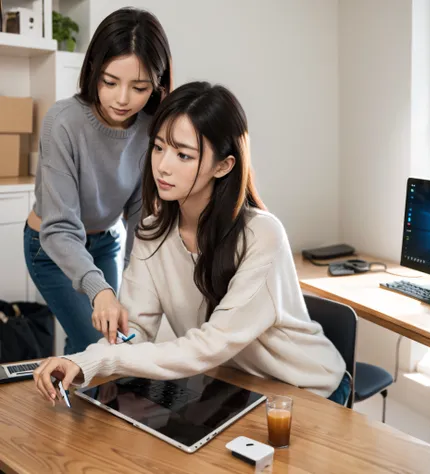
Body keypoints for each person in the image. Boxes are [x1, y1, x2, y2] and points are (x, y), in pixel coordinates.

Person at [33, 81, 348, 405]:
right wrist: (82, 361)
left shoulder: (262, 236)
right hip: (237, 387)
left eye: (183, 154)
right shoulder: (153, 230)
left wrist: (100, 361)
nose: (163, 166)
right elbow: (135, 331)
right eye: (158, 147)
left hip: (309, 390)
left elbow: (210, 345)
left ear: (224, 165)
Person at [24, 8, 173, 354]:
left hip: (105, 243)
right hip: (50, 245)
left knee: (109, 341)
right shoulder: (63, 123)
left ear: (157, 84)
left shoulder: (149, 127)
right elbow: (59, 228)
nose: (123, 99)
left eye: (139, 87)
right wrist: (99, 289)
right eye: (110, 82)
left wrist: (143, 276)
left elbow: (138, 213)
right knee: (100, 347)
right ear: (92, 70)